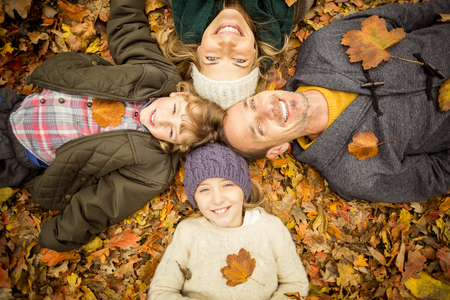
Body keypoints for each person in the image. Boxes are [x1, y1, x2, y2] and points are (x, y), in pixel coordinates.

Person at [0, 0, 225, 252]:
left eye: (171, 131)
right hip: (16, 105)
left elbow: (105, 202)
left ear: (177, 145)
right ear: (178, 95)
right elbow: (129, 34)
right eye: (173, 111)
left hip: (18, 152)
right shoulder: (158, 77)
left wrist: (63, 235)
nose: (161, 119)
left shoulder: (154, 167)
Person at [220, 0, 450, 204]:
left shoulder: (322, 47)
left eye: (251, 105)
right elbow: (437, 174)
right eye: (259, 129)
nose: (267, 110)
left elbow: (404, 17)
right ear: (277, 150)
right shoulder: (354, 175)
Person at [147, 142, 309, 299]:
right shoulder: (188, 232)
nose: (217, 199)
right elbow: (162, 291)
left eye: (227, 185)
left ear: (243, 187)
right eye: (204, 189)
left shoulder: (270, 228)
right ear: (194, 197)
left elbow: (295, 283)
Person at [157, 0, 314, 109]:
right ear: (254, 55)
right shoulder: (294, 8)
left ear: (198, 51)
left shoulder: (180, 6)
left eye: (211, 58)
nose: (227, 41)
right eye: (239, 60)